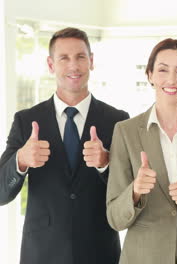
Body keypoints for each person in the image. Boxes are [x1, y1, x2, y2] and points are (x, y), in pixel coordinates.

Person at [0, 27, 128, 264]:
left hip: (99, 251)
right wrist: (21, 160)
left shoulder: (117, 120)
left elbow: (129, 192)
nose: (73, 66)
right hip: (42, 253)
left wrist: (106, 163)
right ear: (51, 65)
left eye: (80, 57)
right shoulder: (26, 120)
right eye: (64, 58)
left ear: (91, 61)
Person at [106, 38, 177, 264]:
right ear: (149, 75)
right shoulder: (125, 132)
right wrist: (135, 191)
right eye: (162, 70)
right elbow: (114, 218)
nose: (171, 79)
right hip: (143, 257)